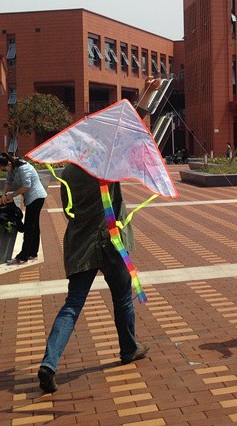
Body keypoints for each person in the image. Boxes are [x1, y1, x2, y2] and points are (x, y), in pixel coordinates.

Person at [37, 164, 149, 393]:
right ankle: (129, 349)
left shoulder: (68, 173)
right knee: (122, 299)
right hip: (111, 243)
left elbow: (69, 211)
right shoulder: (108, 167)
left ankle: (49, 364)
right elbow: (118, 198)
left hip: (81, 245)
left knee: (72, 305)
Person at [0, 152, 47, 265]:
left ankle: (23, 256)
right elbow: (8, 181)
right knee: (34, 226)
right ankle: (33, 253)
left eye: (3, 169)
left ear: (9, 164)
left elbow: (26, 186)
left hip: (36, 197)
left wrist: (13, 195)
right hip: (31, 198)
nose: (4, 171)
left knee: (29, 226)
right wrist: (3, 194)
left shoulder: (23, 168)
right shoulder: (13, 168)